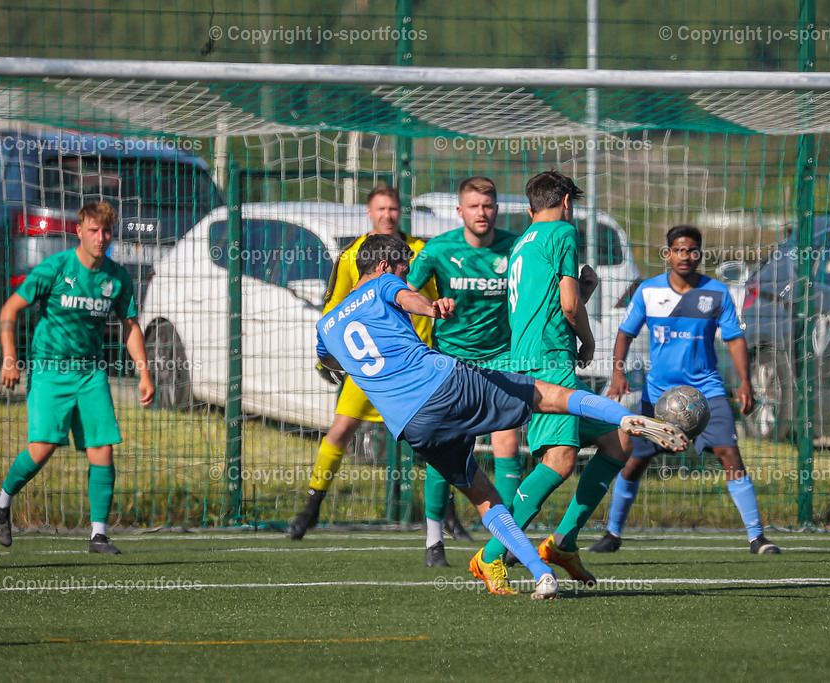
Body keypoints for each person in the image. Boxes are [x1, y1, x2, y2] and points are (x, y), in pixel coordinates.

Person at [315, 233, 686, 599]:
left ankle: (542, 575)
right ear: (383, 267)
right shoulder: (384, 284)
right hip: (446, 385)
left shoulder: (326, 326)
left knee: (484, 498)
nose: (406, 275)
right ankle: (623, 419)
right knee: (551, 395)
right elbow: (405, 296)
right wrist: (429, 307)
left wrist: (340, 365)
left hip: (413, 425)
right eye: (402, 268)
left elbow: (328, 360)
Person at [469, 170, 662, 594]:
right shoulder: (563, 231)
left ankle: (562, 545)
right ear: (568, 203)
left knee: (619, 440)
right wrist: (589, 341)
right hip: (549, 362)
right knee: (557, 461)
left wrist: (584, 291)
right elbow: (569, 307)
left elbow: (549, 305)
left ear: (530, 205)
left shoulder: (523, 243)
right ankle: (491, 555)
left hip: (531, 356)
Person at [589, 224, 781, 555]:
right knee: (633, 461)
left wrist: (745, 382)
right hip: (658, 396)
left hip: (707, 391)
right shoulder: (648, 292)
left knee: (729, 453)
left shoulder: (716, 293)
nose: (685, 256)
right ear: (668, 254)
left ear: (699, 255)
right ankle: (613, 533)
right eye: (678, 250)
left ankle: (757, 537)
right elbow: (624, 334)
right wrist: (618, 373)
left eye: (692, 250)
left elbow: (735, 339)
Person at [0, 201, 156, 554]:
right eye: (93, 230)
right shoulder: (56, 267)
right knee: (43, 448)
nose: (101, 237)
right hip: (50, 368)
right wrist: (8, 357)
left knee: (102, 449)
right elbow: (10, 309)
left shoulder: (116, 277)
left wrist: (144, 373)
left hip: (91, 372)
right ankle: (1, 502)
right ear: (79, 230)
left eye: (106, 231)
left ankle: (98, 534)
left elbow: (130, 327)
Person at [286, 184, 451, 540]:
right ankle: (312, 507)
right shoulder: (351, 256)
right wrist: (326, 358)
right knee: (341, 430)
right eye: (381, 209)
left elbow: (435, 299)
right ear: (369, 212)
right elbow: (333, 305)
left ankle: (446, 515)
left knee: (434, 438)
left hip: (412, 366)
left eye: (393, 209)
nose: (387, 215)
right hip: (368, 367)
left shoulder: (422, 252)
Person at [407, 176, 523, 568]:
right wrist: (431, 304)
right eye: (474, 206)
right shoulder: (438, 250)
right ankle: (433, 540)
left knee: (507, 445)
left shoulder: (515, 248)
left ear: (496, 209)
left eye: (488, 206)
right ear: (460, 212)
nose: (482, 213)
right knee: (447, 451)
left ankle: (506, 542)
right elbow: (405, 293)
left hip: (501, 360)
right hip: (452, 362)